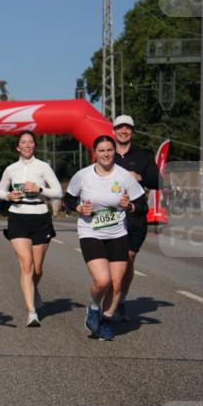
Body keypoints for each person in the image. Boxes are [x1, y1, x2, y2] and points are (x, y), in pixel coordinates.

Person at [63, 135, 147, 341]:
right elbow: (68, 199)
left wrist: (130, 206)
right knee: (102, 280)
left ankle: (106, 320)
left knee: (117, 284)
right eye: (101, 150)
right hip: (90, 232)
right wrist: (78, 207)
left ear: (114, 152)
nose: (106, 154)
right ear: (95, 153)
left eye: (109, 150)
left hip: (118, 233)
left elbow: (142, 205)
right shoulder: (83, 176)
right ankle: (93, 308)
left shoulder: (124, 176)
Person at [0, 131, 63, 327]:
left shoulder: (43, 167)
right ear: (18, 147)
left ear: (34, 146)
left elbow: (58, 191)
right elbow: (0, 190)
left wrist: (39, 190)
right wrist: (9, 196)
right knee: (26, 265)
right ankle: (32, 312)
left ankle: (34, 289)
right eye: (23, 142)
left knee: (37, 268)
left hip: (40, 217)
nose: (27, 145)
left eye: (30, 142)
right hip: (18, 217)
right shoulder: (11, 169)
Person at [111, 115, 157, 322]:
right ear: (114, 131)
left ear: (132, 131)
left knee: (128, 259)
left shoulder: (144, 155)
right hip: (110, 215)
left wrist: (140, 177)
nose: (124, 131)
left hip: (135, 214)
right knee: (113, 261)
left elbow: (157, 181)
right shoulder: (105, 153)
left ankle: (120, 300)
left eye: (127, 128)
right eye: (120, 128)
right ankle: (111, 297)